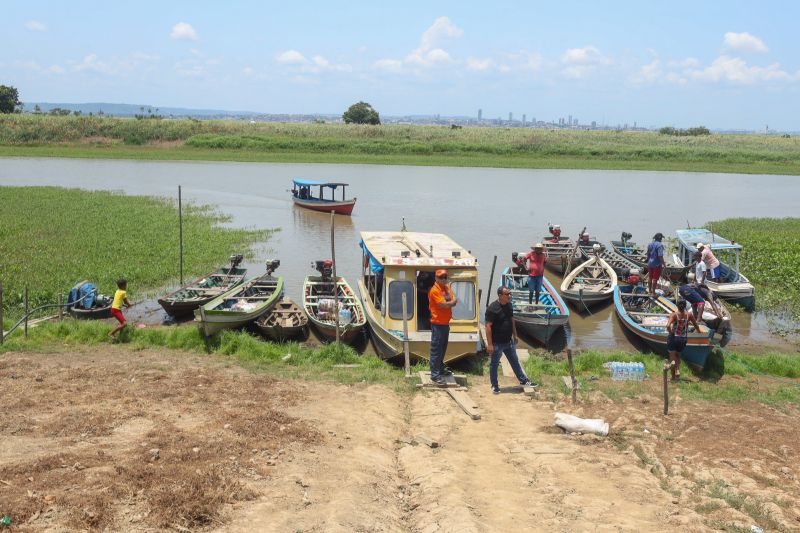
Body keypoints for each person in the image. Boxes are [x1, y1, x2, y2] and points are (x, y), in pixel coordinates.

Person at [485, 286, 535, 394]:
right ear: (500, 295)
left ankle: (523, 381)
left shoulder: (509, 305)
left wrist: (515, 335)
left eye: (509, 293)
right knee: (494, 364)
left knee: (515, 361)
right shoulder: (492, 308)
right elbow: (488, 326)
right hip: (497, 343)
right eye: (507, 294)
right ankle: (494, 385)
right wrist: (490, 344)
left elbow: (512, 320)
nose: (509, 296)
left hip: (509, 342)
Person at [428, 269, 458, 385]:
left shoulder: (446, 288)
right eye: (441, 277)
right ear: (436, 278)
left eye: (445, 277)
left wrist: (449, 303)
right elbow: (441, 305)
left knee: (443, 349)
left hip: (445, 324)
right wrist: (451, 303)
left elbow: (454, 300)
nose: (443, 279)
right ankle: (435, 375)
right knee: (436, 350)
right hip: (437, 324)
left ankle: (440, 369)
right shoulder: (434, 290)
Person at [666, 300, 700, 381]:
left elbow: (667, 326)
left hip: (674, 338)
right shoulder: (689, 315)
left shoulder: (674, 315)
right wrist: (699, 332)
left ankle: (673, 377)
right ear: (685, 306)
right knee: (678, 355)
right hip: (683, 339)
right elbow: (696, 325)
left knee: (672, 358)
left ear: (677, 305)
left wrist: (671, 333)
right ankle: (677, 370)